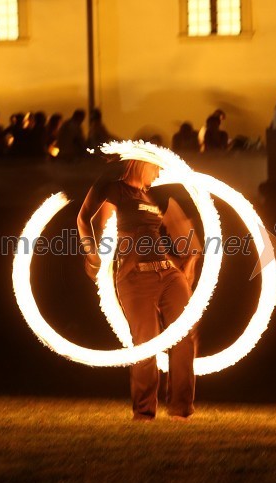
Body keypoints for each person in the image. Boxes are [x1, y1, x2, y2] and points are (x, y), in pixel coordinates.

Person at [77, 160, 201, 421]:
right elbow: (85, 219)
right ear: (141, 163)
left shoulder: (156, 195)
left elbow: (183, 232)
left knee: (184, 336)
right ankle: (144, 413)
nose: (159, 172)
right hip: (135, 277)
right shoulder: (116, 191)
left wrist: (189, 259)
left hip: (167, 273)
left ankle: (181, 410)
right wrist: (93, 254)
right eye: (156, 166)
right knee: (145, 344)